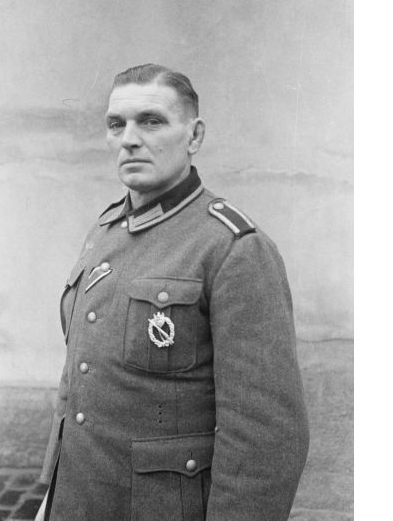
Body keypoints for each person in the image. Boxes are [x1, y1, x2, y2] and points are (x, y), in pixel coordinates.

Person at [35, 64, 309, 521]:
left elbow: (267, 437)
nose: (129, 138)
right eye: (115, 124)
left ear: (194, 135)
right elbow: (80, 381)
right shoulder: (104, 231)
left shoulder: (232, 249)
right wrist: (52, 496)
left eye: (152, 121)